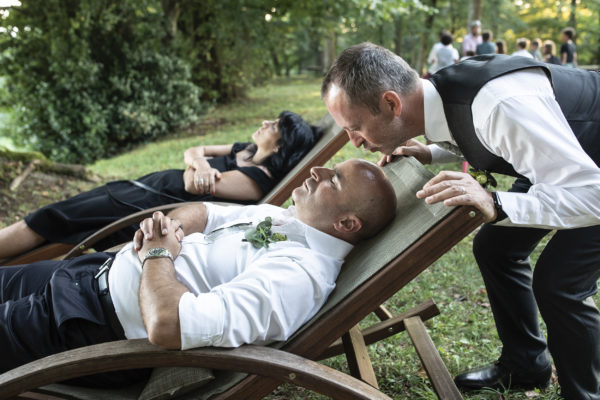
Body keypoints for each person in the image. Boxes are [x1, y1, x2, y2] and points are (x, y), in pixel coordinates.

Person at [321, 42, 600, 399]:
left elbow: (591, 194)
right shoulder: (439, 95)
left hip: (590, 176)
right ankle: (526, 364)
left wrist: (495, 202)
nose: (354, 141)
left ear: (391, 103)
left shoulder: (500, 107)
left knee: (560, 281)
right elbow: (473, 130)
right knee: (495, 248)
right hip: (561, 159)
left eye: (355, 127)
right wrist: (432, 151)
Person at [0, 158, 398, 387]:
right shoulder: (285, 217)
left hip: (89, 328)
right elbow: (204, 212)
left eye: (335, 179)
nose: (317, 171)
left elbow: (168, 324)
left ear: (347, 224)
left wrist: (157, 252)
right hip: (84, 276)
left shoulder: (297, 277)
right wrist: (167, 233)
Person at [0, 111, 322, 261]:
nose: (265, 122)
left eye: (275, 126)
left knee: (51, 218)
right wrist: (200, 162)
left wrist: (197, 166)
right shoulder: (245, 152)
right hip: (138, 190)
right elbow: (195, 152)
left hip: (141, 207)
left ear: (280, 147)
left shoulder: (252, 183)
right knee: (56, 218)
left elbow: (190, 184)